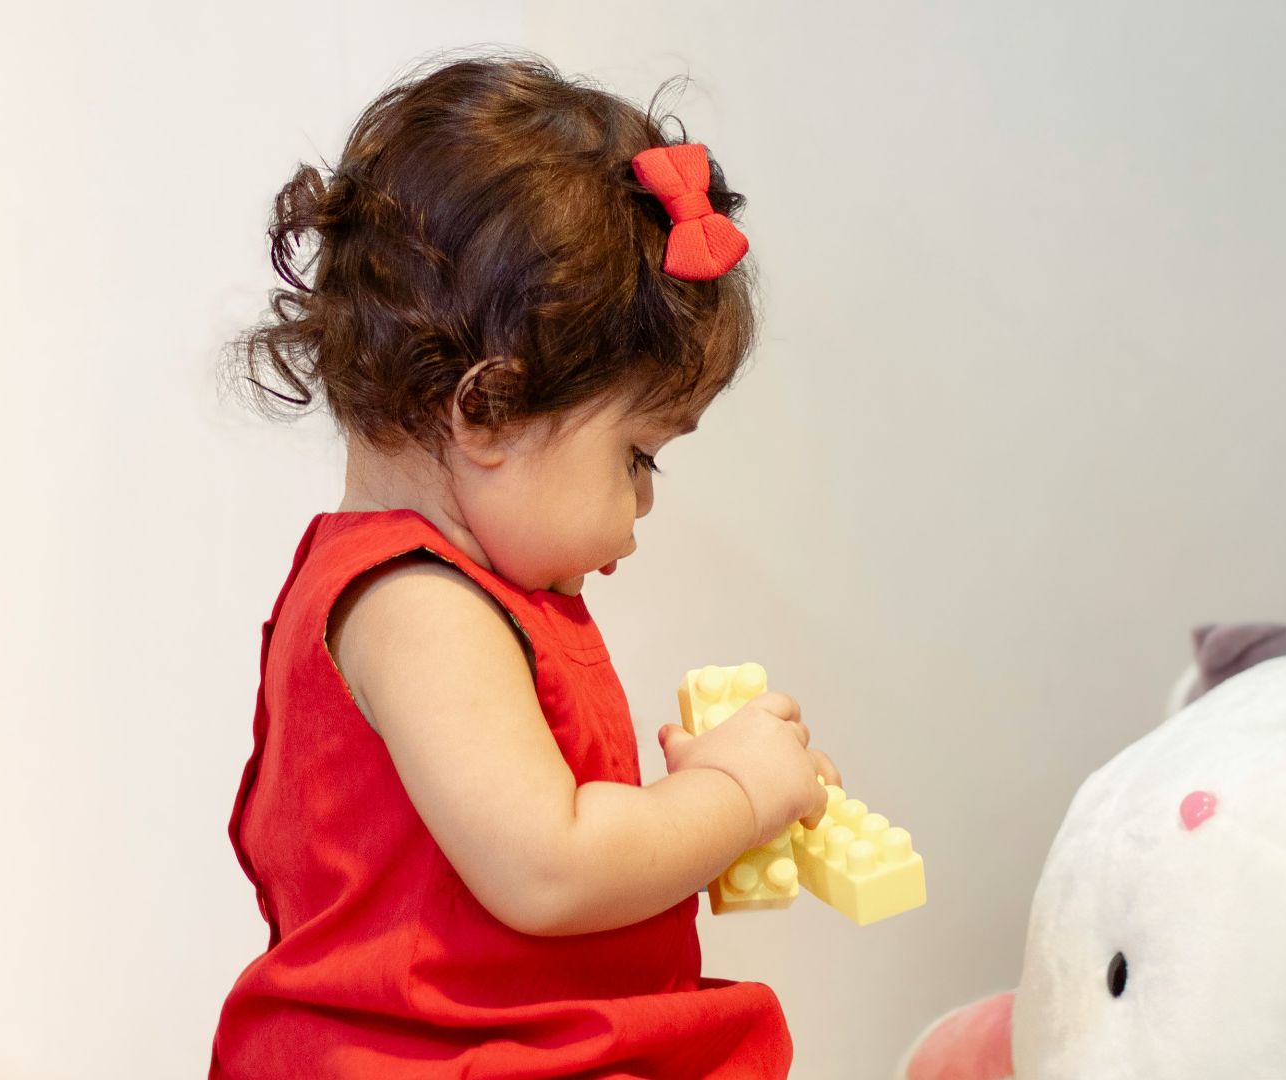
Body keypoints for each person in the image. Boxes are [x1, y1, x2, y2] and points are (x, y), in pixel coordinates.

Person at [208, 54, 840, 1079]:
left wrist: (700, 809)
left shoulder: (466, 594)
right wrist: (734, 794)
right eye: (638, 456)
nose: (642, 503)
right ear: (490, 411)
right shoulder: (415, 605)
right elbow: (550, 867)